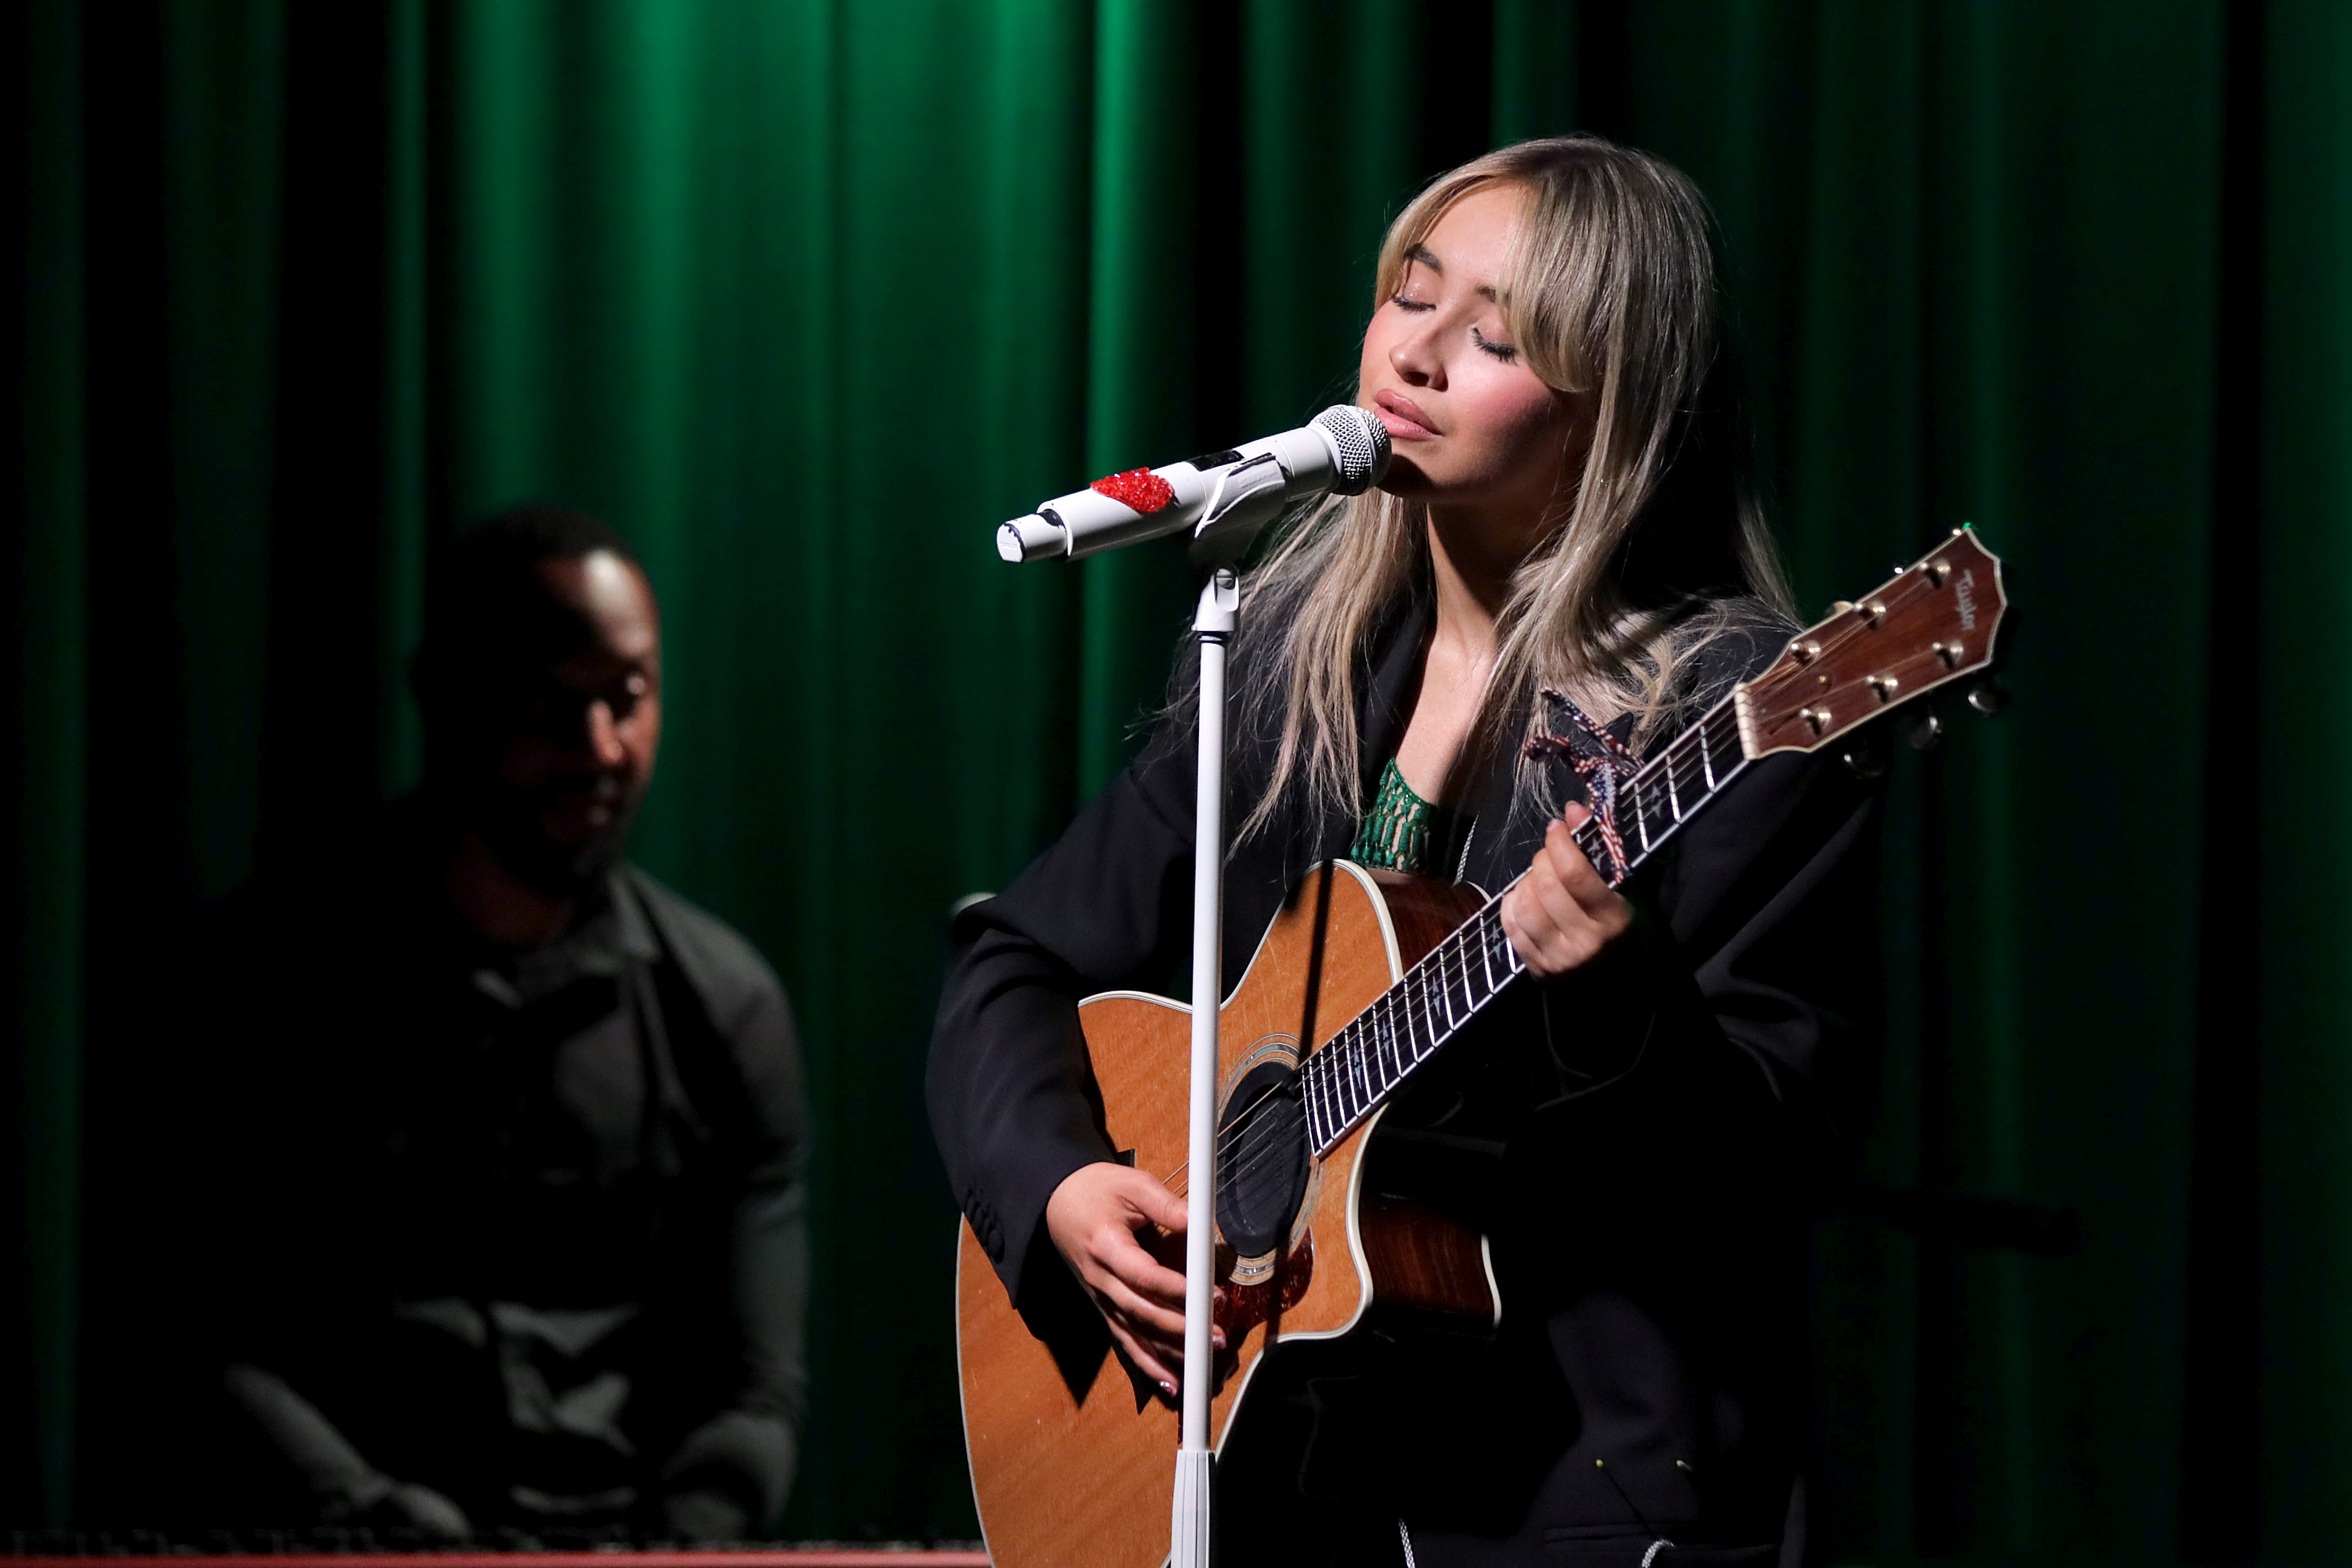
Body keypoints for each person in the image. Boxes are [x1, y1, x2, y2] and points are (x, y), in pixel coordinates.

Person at [928, 137, 1880, 1566]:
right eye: (1409, 294)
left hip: (1581, 1495)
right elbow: (1016, 955)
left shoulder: (1730, 706)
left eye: (1493, 335)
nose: (1414, 355)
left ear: (1608, 411)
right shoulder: (1283, 657)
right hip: (1284, 1484)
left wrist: (1622, 1008)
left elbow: (1776, 1156)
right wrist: (1059, 1181)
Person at [157, 508, 808, 1543]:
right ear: (445, 698)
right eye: (549, 702)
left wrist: (684, 1547)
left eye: (627, 697)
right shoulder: (261, 980)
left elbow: (757, 1392)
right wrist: (364, 1517)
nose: (599, 747)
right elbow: (189, 1332)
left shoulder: (725, 1007)